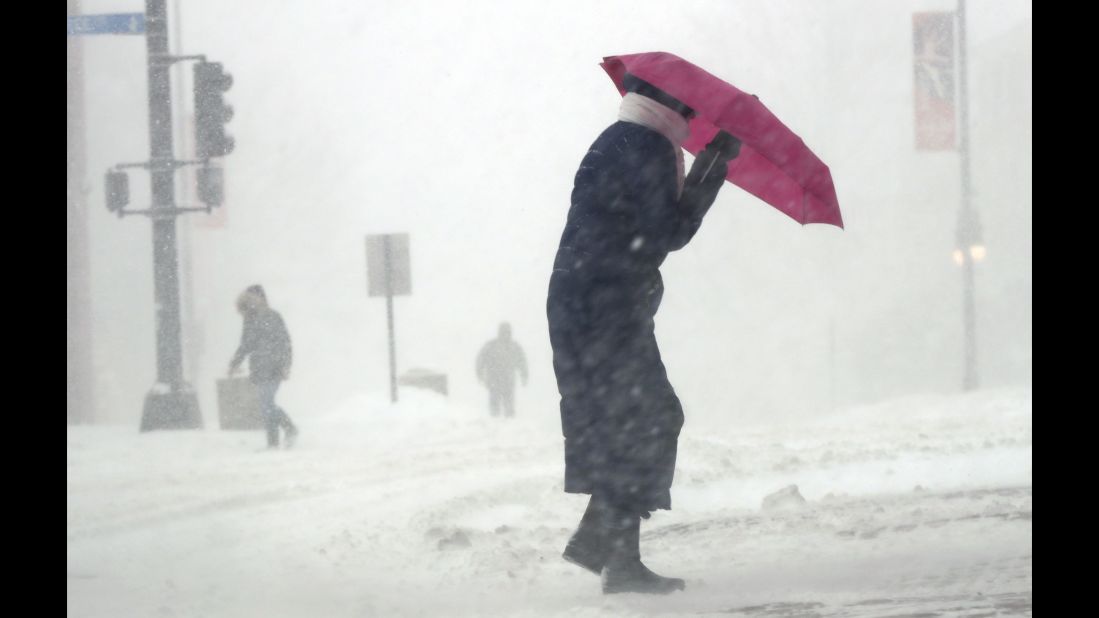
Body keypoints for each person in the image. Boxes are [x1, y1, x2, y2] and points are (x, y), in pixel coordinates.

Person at [546, 73, 741, 594]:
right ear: (670, 102)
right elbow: (666, 235)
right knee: (651, 418)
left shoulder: (618, 140)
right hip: (604, 305)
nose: (694, 119)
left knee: (632, 423)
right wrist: (713, 166)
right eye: (691, 109)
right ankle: (613, 555)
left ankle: (611, 553)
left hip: (586, 302)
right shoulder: (650, 146)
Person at [228, 284, 299, 449]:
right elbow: (246, 344)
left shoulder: (272, 317)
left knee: (267, 404)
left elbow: (285, 342)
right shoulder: (251, 319)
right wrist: (235, 363)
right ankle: (276, 440)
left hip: (273, 367)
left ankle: (288, 431)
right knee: (266, 404)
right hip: (261, 368)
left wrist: (286, 365)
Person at [475, 322, 528, 417]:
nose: (506, 334)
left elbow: (522, 362)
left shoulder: (514, 347)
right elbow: (480, 360)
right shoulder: (492, 346)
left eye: (507, 332)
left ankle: (508, 426)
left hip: (507, 382)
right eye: (504, 332)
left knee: (508, 407)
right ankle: (497, 425)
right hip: (494, 381)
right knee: (495, 406)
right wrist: (479, 373)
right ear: (500, 332)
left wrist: (524, 375)